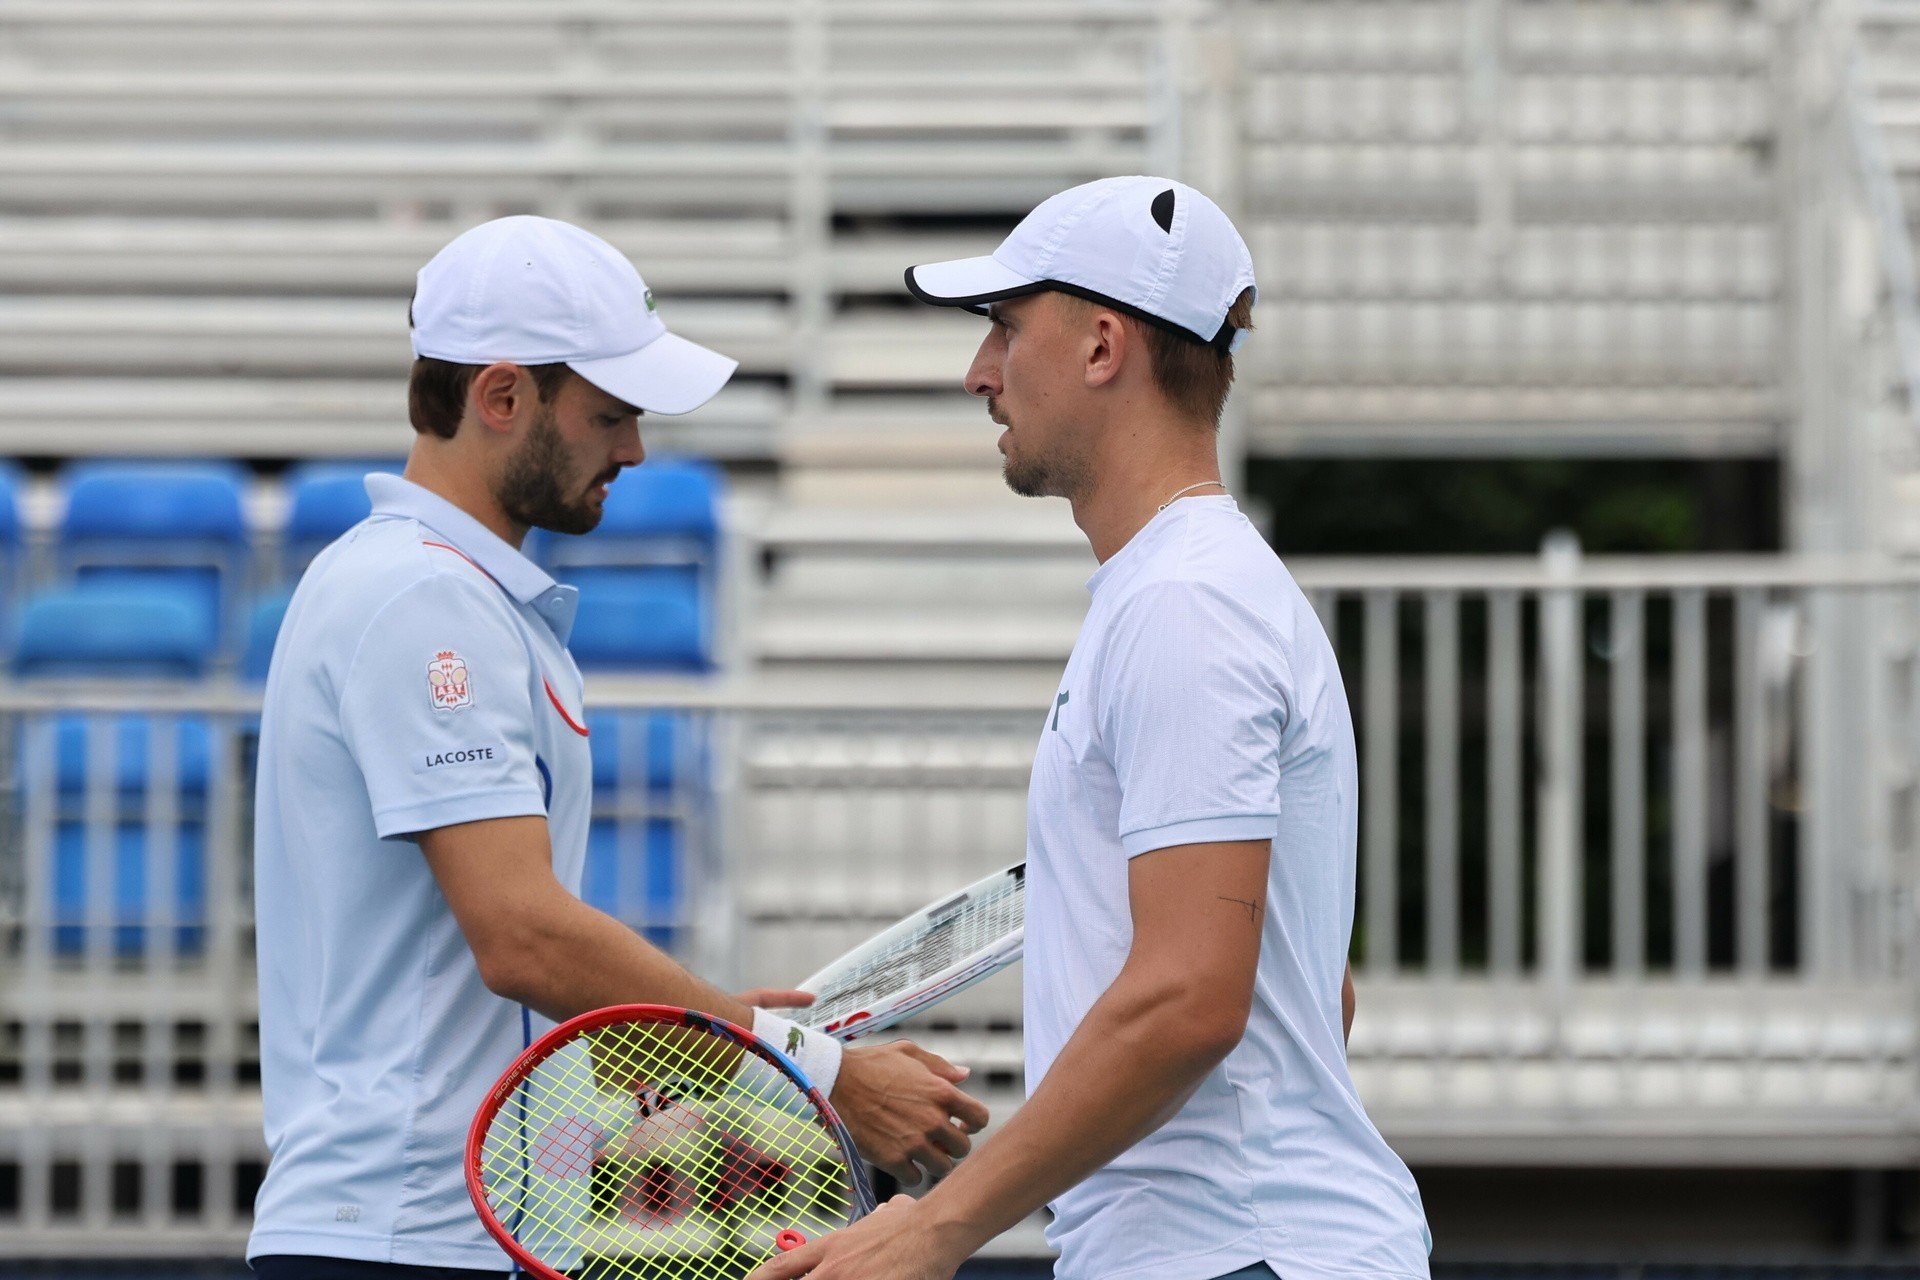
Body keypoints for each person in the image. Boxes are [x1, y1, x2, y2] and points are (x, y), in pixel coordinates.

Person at [246, 216, 988, 1280]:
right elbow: (523, 937)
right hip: (405, 1241)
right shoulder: (424, 599)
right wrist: (809, 1067)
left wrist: (701, 1034)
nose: (634, 447)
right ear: (500, 398)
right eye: (609, 413)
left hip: (440, 1231)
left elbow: (492, 971)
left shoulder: (443, 592)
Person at [752, 177, 1432, 1280]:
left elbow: (1191, 997)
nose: (980, 373)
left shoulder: (1184, 605)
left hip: (1238, 1254)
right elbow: (1310, 987)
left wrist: (930, 1228)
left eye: (1006, 330)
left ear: (1104, 345)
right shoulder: (1185, 588)